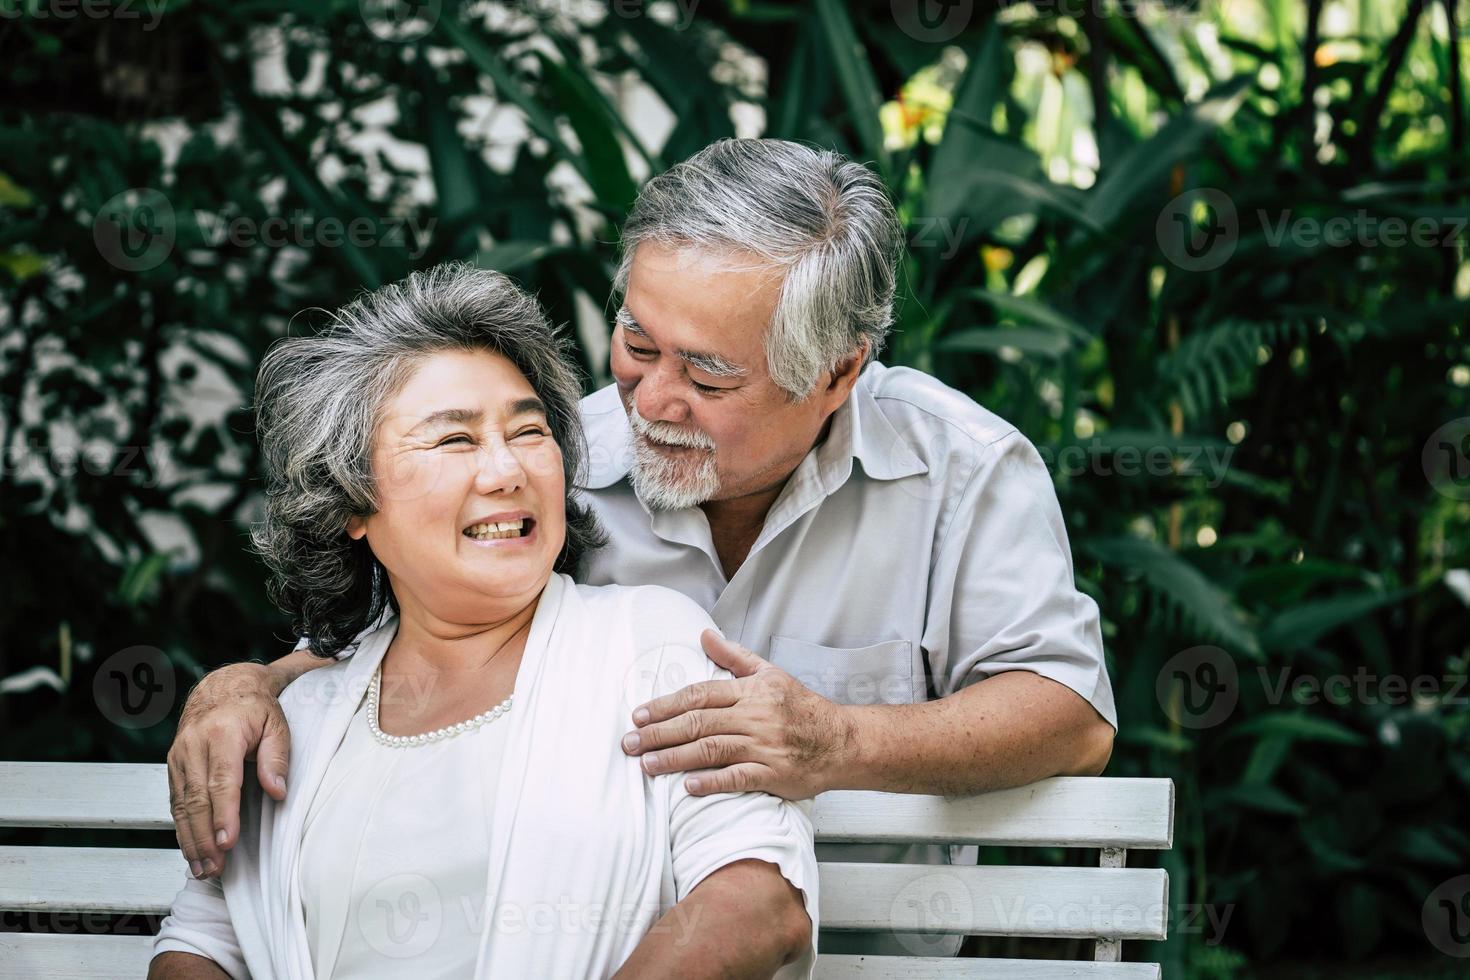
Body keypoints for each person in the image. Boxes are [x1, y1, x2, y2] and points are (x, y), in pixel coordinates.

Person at [168, 138, 1118, 957]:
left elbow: (1072, 716)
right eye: (636, 339)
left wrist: (838, 742)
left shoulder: (962, 467)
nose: (652, 398)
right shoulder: (549, 465)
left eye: (708, 371)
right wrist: (249, 682)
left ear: (837, 372)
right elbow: (389, 644)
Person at [149, 265, 816, 979]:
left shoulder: (649, 646)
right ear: (350, 503)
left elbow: (756, 894)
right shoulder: (298, 720)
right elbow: (203, 943)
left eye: (529, 432)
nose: (507, 471)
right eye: (454, 441)